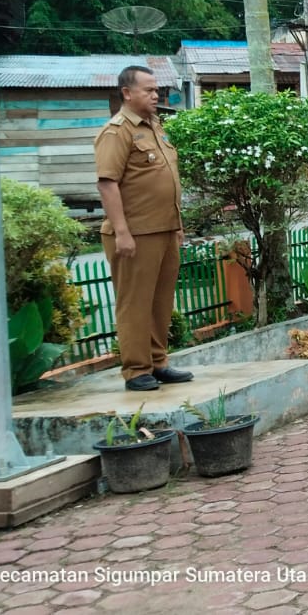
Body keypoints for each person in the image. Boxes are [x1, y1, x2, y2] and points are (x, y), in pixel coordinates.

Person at [94, 65, 193, 392]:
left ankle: (157, 361)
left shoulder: (155, 127)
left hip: (163, 230)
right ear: (127, 93)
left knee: (160, 301)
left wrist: (176, 226)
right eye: (148, 90)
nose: (156, 95)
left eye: (156, 90)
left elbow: (166, 181)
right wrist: (121, 232)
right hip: (134, 234)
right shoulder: (116, 131)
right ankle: (136, 370)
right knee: (135, 303)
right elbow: (108, 184)